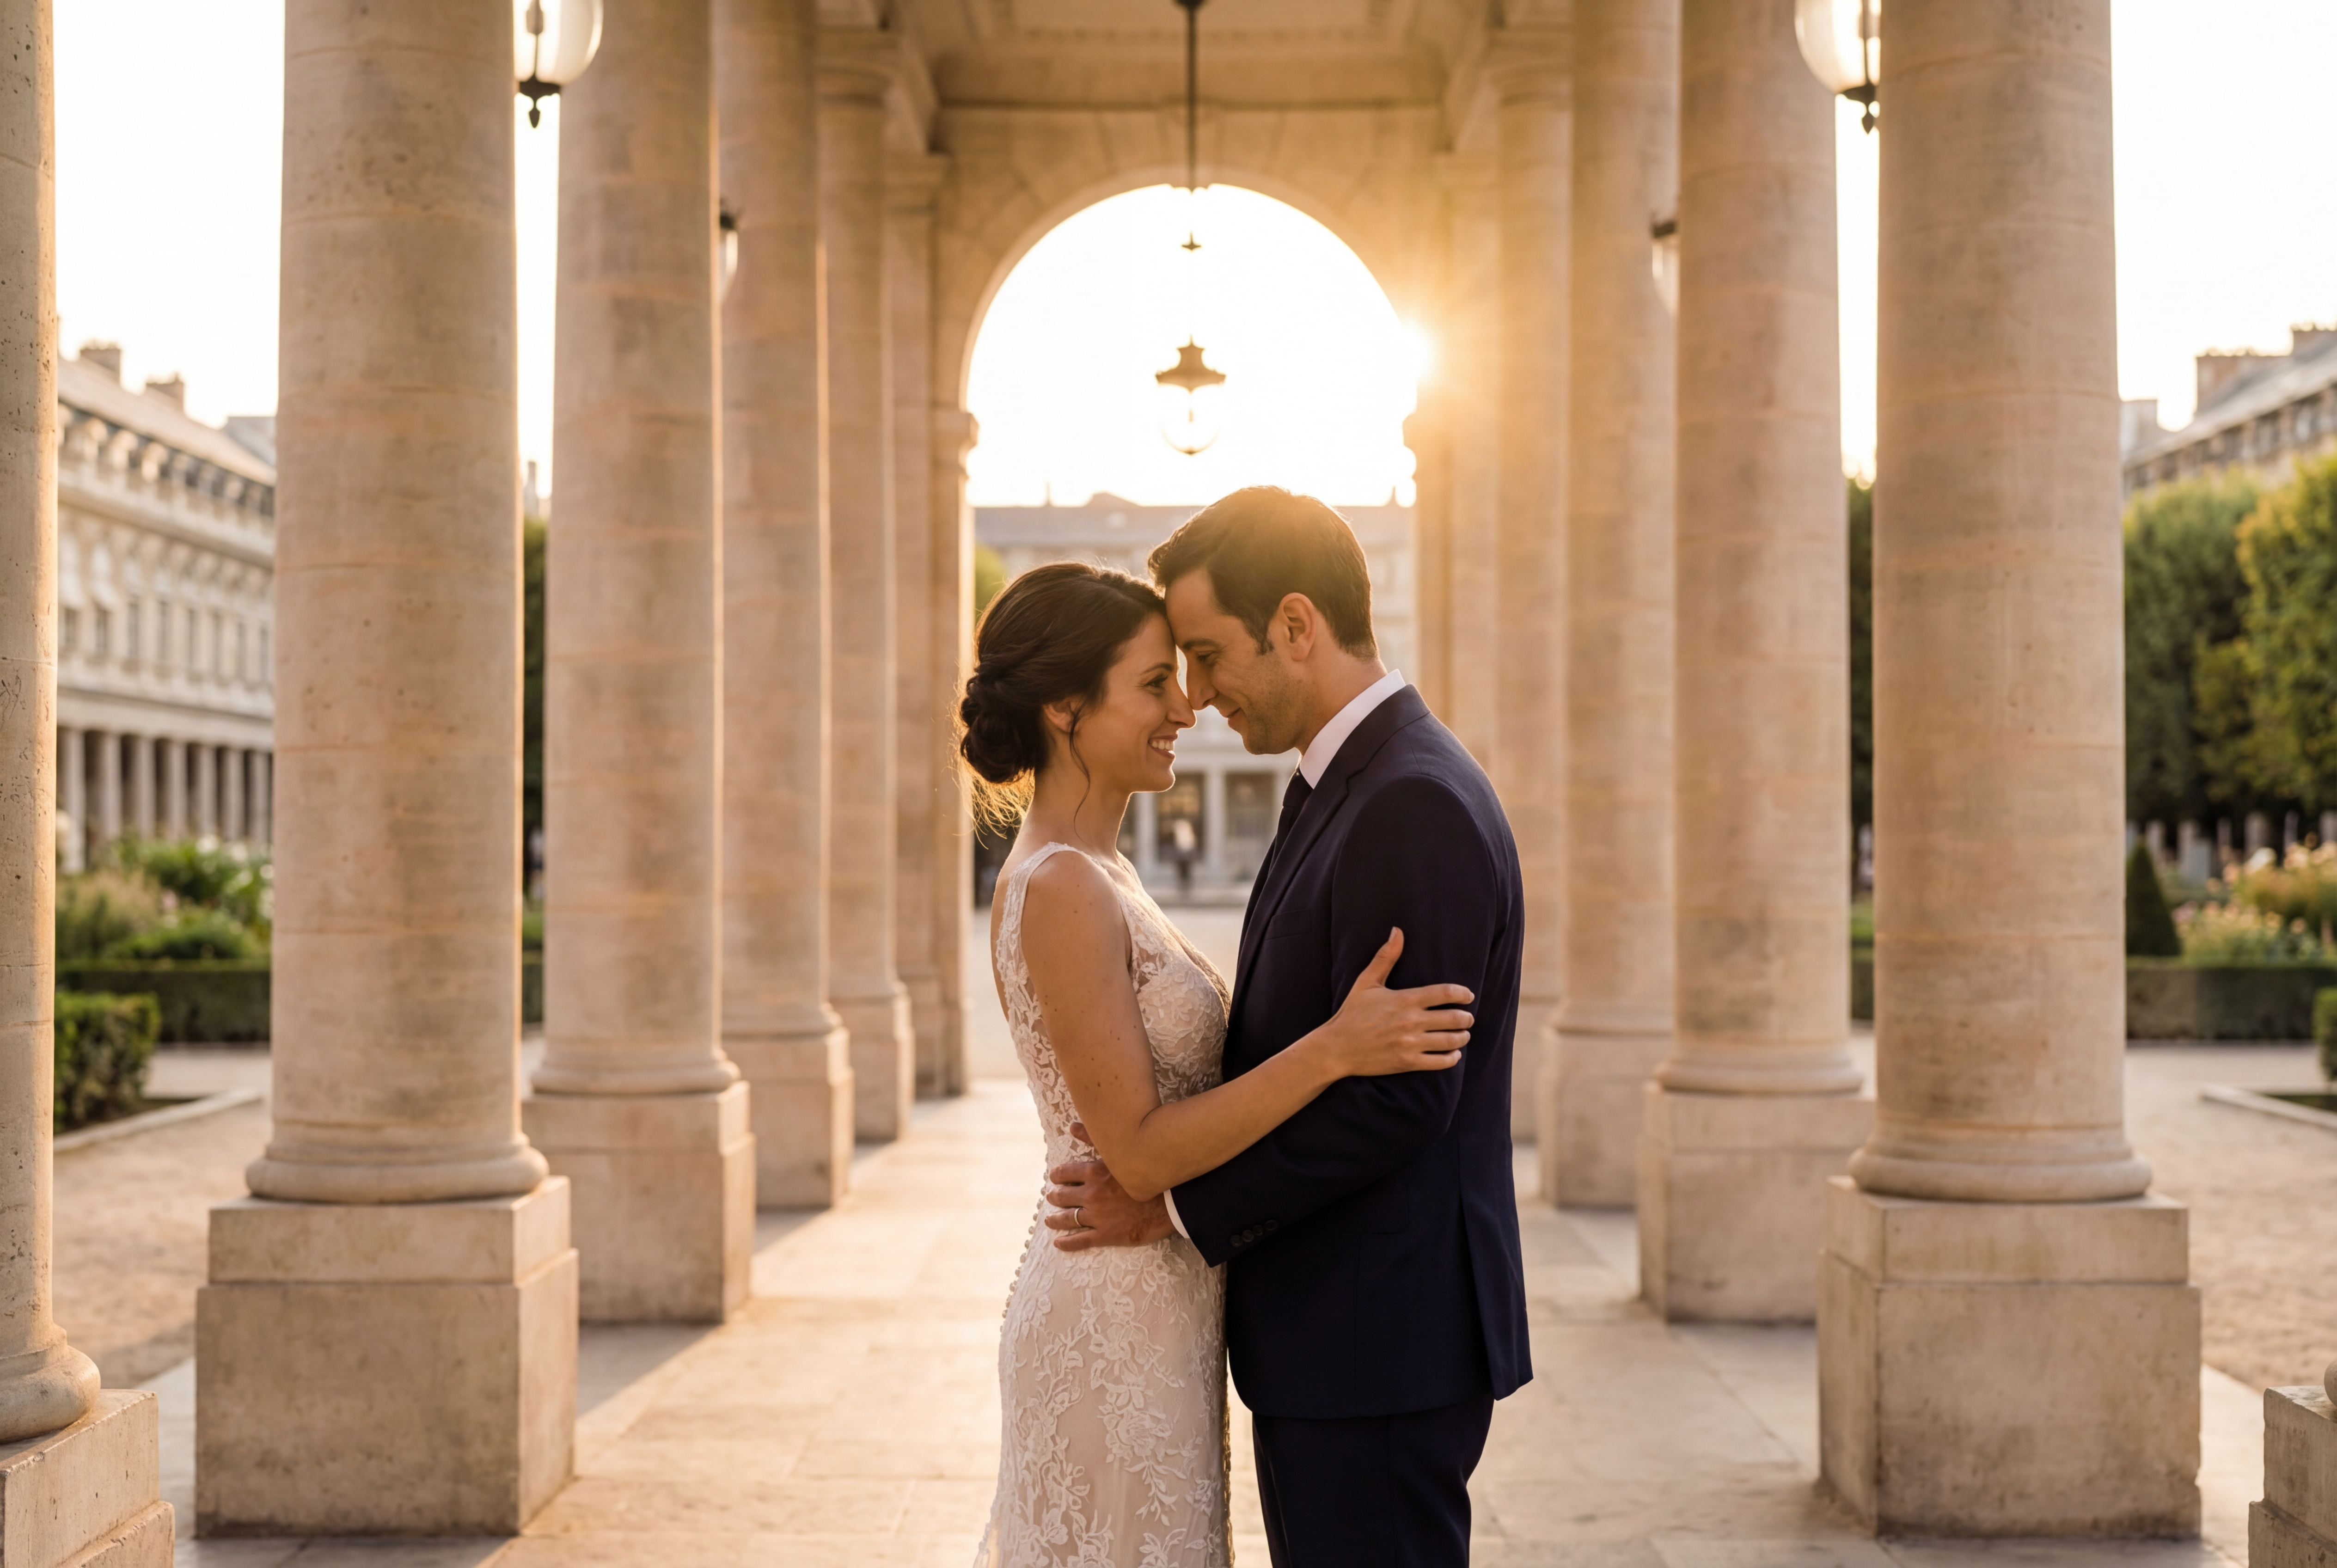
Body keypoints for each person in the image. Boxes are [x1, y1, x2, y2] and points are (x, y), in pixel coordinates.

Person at [1043, 488, 1531, 1568]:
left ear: (1297, 626)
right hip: (1345, 1338)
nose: (1197, 693)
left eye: (1209, 656)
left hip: (1380, 1344)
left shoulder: (1411, 801)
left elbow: (1401, 1098)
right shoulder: (1341, 784)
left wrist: (1172, 1204)